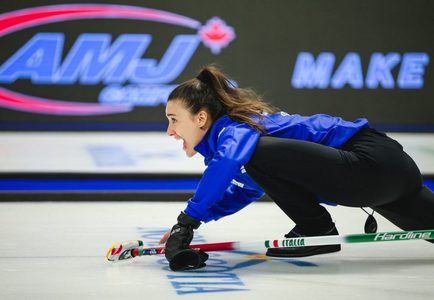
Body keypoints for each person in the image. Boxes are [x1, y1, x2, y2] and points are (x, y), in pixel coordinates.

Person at [159, 65, 434, 271]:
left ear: (202, 118)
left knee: (253, 155)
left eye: (174, 120)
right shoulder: (244, 138)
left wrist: (187, 221)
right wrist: (190, 227)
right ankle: (316, 228)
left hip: (370, 163)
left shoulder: (235, 130)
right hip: (391, 175)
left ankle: (316, 228)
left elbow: (228, 162)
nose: (170, 131)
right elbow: (245, 191)